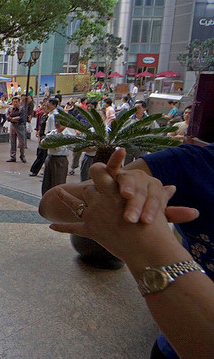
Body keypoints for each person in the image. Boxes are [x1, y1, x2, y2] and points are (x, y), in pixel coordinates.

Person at [39, 147, 214, 359]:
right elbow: (51, 204)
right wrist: (120, 191)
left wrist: (147, 243)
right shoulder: (193, 162)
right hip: (171, 342)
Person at [41, 117, 73, 195]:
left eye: (59, 122)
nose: (57, 123)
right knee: (46, 183)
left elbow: (59, 148)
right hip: (50, 157)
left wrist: (51, 143)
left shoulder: (68, 135)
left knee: (58, 183)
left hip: (60, 160)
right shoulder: (53, 132)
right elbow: (43, 142)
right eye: (56, 121)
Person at [29, 100, 48, 177]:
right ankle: (34, 170)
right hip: (42, 136)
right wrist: (38, 132)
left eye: (45, 106)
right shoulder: (43, 115)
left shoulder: (50, 116)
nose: (43, 107)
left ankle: (37, 170)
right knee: (40, 154)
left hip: (46, 138)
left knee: (44, 155)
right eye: (42, 105)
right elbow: (40, 125)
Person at [7, 96, 27, 162]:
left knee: (21, 142)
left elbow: (22, 118)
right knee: (12, 141)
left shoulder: (22, 109)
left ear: (19, 102)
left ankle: (22, 155)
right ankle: (13, 156)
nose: (15, 103)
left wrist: (12, 118)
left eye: (16, 102)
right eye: (14, 102)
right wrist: (15, 118)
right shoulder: (10, 109)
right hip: (12, 126)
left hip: (20, 126)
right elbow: (8, 118)